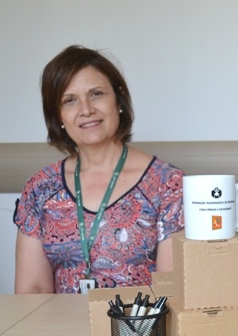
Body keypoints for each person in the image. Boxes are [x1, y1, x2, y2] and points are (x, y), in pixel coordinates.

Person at [14, 45, 184, 293]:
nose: (86, 109)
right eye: (69, 100)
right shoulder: (40, 188)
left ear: (119, 99)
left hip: (139, 329)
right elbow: (32, 291)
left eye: (96, 94)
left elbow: (171, 292)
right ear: (57, 115)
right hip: (60, 329)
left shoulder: (168, 184)